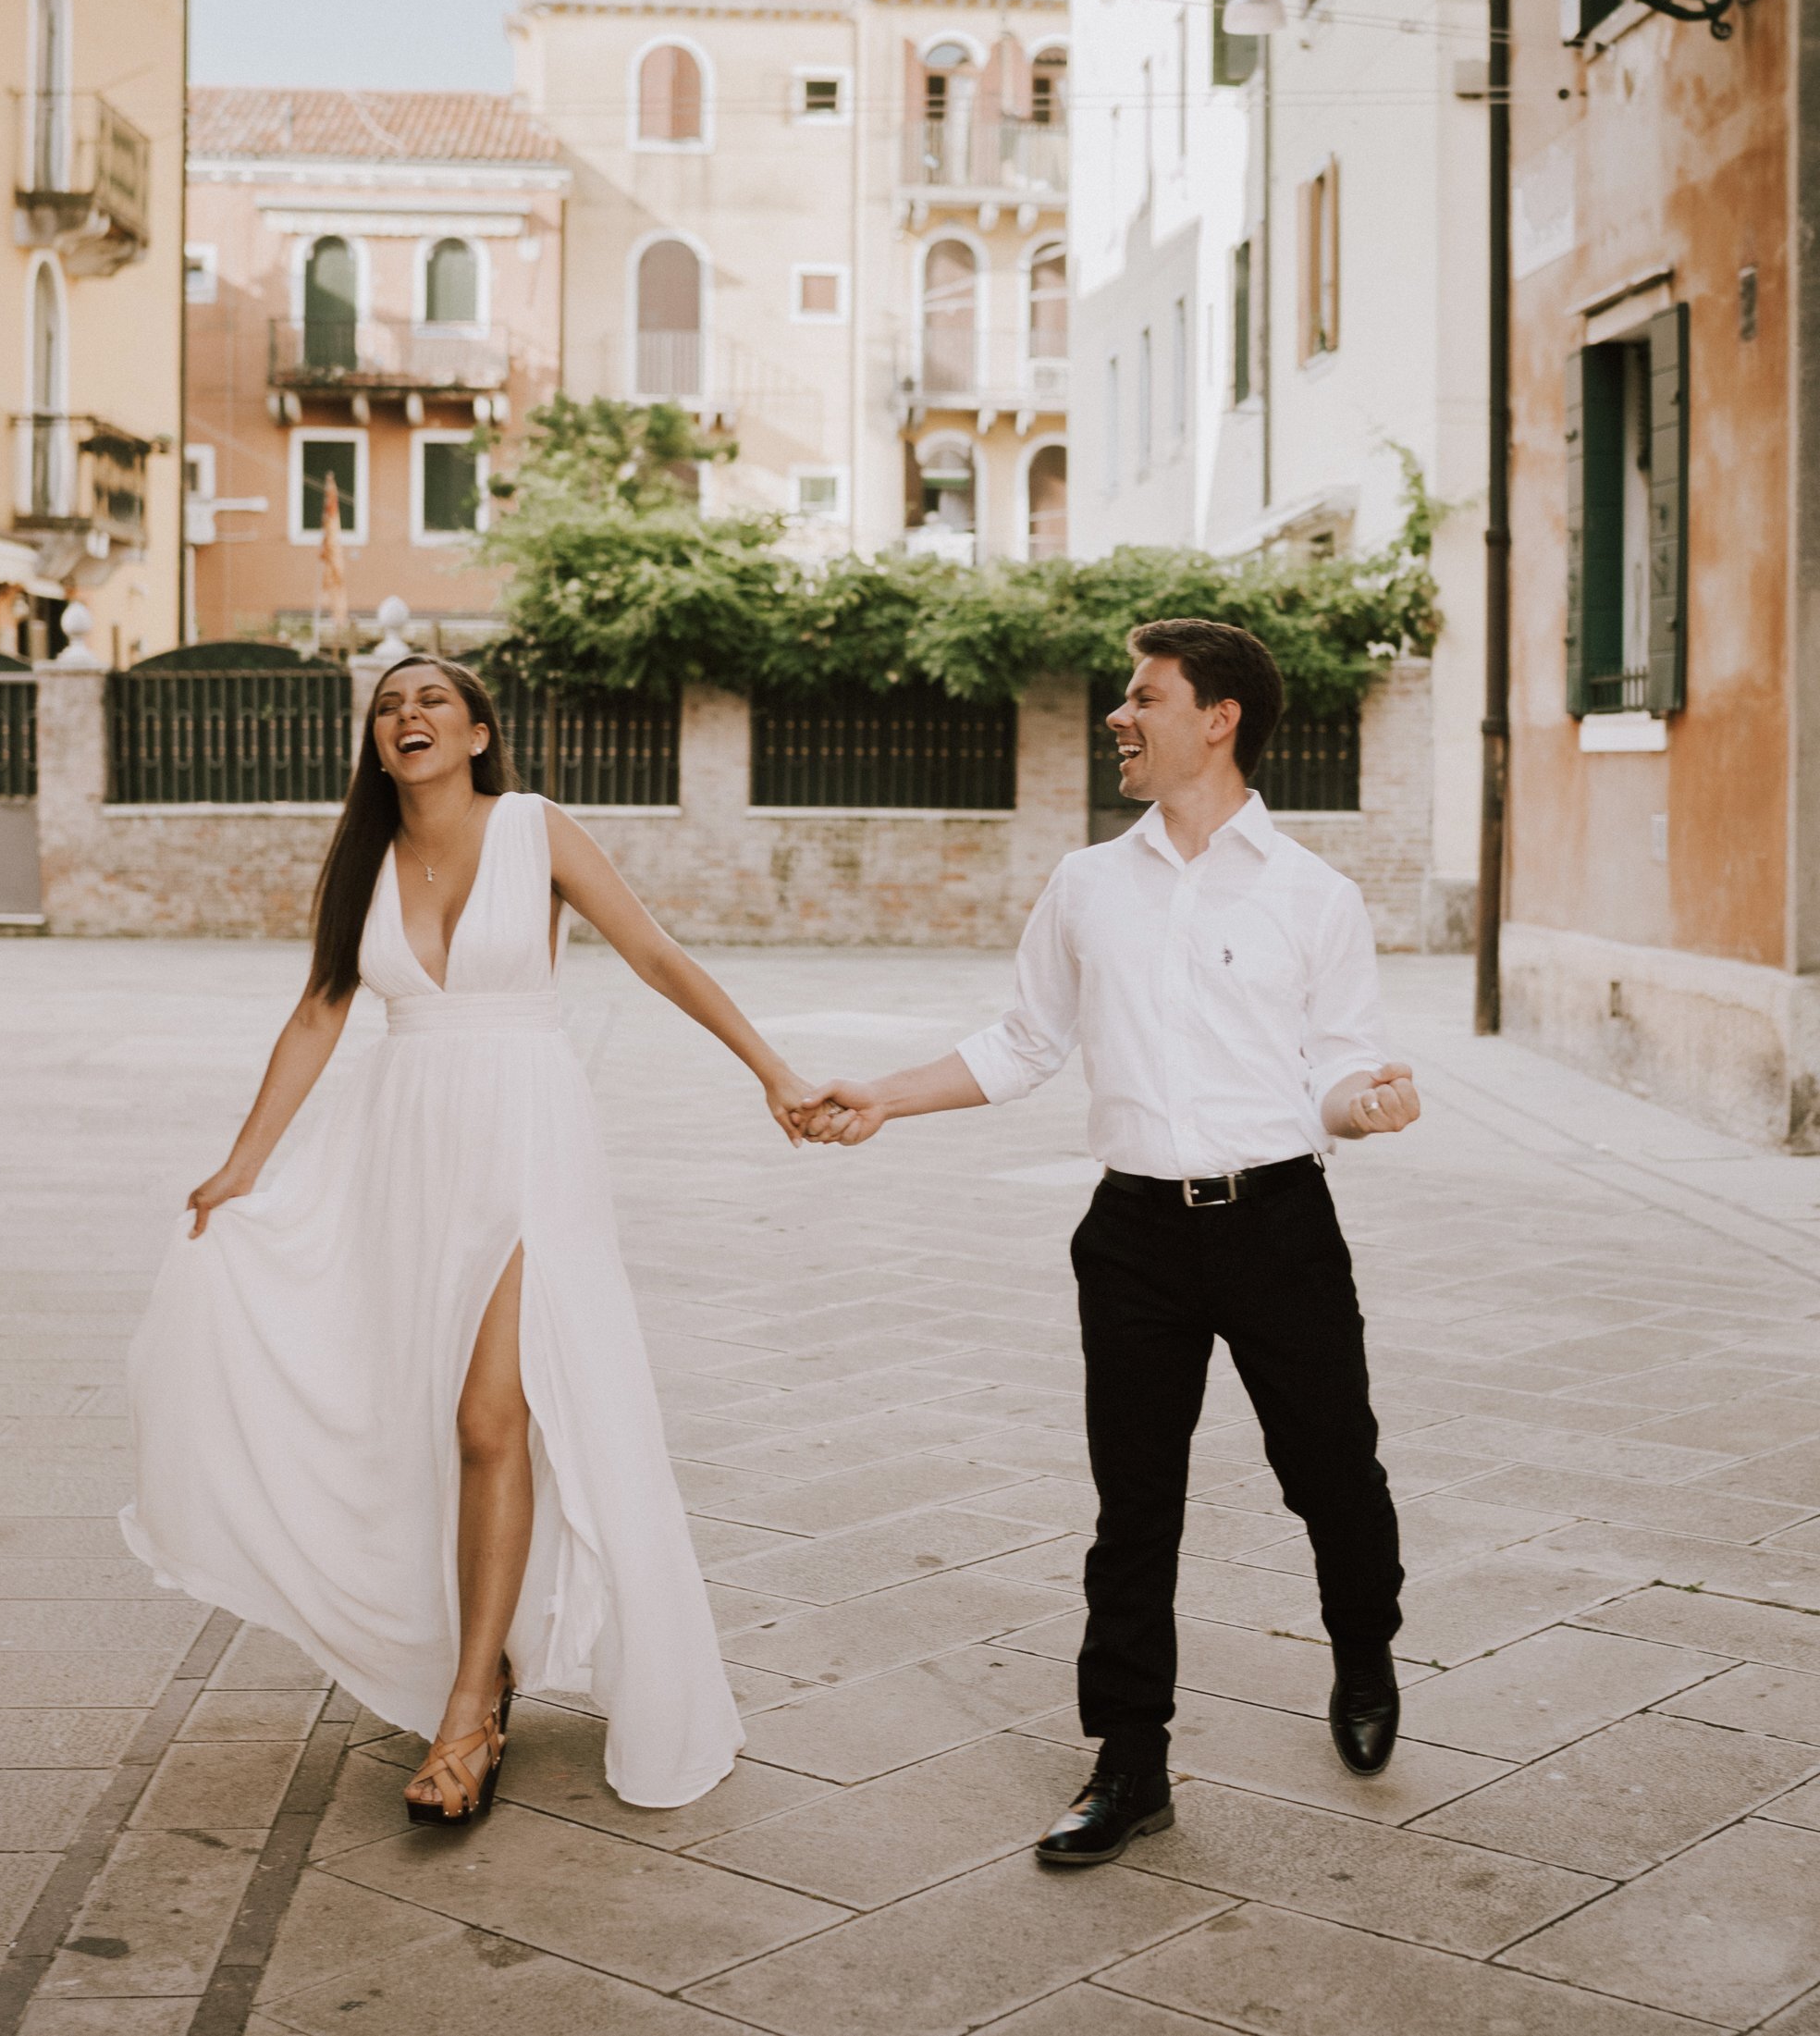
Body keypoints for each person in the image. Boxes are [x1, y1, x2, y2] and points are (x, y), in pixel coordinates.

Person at [122, 655, 816, 1822]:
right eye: (390, 705)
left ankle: (466, 1713)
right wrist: (245, 1164)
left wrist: (772, 1070)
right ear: (376, 741)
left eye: (433, 699)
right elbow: (319, 1012)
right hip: (401, 1154)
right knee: (416, 1415)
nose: (409, 716)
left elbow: (652, 954)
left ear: (480, 732)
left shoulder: (535, 827)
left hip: (527, 1137)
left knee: (491, 1414)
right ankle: (480, 1656)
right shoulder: (364, 860)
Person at [795, 617, 1418, 1867]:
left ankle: (1362, 1643)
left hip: (1281, 1224)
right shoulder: (1088, 884)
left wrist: (1365, 1100)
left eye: (1143, 698)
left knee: (1334, 1474)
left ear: (1219, 716)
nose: (1119, 720)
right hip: (1132, 1235)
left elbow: (1343, 1060)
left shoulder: (1313, 895)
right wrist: (883, 1095)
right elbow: (1024, 1042)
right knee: (1135, 1508)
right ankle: (1131, 1761)